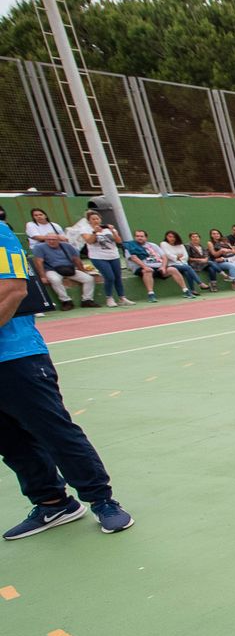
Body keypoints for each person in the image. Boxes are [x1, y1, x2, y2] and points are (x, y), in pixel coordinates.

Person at [1, 218, 133, 539]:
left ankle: (102, 500)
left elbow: (12, 290)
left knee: (55, 431)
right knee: (9, 440)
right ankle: (52, 502)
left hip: (16, 356)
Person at [77, 210, 132, 307]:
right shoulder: (85, 229)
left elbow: (119, 241)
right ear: (89, 220)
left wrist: (112, 231)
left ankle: (122, 297)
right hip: (98, 257)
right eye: (93, 219)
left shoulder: (107, 228)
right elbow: (89, 241)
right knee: (109, 277)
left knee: (117, 277)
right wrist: (95, 232)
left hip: (113, 255)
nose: (96, 221)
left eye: (97, 218)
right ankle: (109, 298)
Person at [125, 230, 197, 301]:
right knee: (147, 271)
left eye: (141, 236)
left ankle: (186, 291)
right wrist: (145, 267)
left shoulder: (153, 245)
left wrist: (163, 266)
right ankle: (151, 294)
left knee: (173, 269)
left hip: (158, 267)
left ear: (146, 237)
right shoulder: (130, 246)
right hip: (142, 267)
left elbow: (164, 257)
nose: (139, 238)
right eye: (137, 236)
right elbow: (133, 258)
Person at [30, 235, 97, 310]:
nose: (51, 241)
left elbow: (76, 259)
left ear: (59, 240)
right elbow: (39, 262)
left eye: (54, 239)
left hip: (68, 269)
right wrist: (43, 276)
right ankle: (66, 301)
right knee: (55, 280)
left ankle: (87, 300)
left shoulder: (67, 246)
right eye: (48, 239)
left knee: (89, 279)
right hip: (51, 270)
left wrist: (82, 271)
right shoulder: (39, 247)